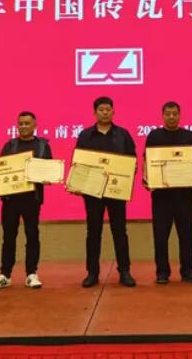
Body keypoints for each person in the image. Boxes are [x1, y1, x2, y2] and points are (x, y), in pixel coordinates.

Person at [75, 96, 137, 288]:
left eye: (108, 109)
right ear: (95, 112)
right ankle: (92, 273)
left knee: (120, 231)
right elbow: (79, 163)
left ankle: (124, 271)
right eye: (101, 110)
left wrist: (129, 170)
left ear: (113, 111)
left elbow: (132, 160)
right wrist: (77, 183)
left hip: (116, 190)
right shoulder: (85, 135)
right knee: (93, 231)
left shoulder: (123, 135)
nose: (104, 113)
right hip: (92, 191)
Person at [0, 111, 52, 290]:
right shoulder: (10, 145)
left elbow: (49, 168)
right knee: (8, 237)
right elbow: (0, 171)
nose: (23, 126)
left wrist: (49, 177)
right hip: (10, 200)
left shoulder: (42, 145)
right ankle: (5, 275)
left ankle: (31, 273)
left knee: (32, 235)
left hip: (32, 199)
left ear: (35, 125)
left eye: (27, 123)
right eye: (21, 123)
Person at [144, 101, 192, 285]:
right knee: (161, 235)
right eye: (168, 114)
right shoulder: (154, 136)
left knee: (187, 234)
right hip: (161, 196)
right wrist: (147, 179)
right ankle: (162, 272)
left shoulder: (189, 136)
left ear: (180, 115)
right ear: (162, 115)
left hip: (184, 195)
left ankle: (188, 271)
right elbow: (147, 160)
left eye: (175, 113)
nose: (171, 117)